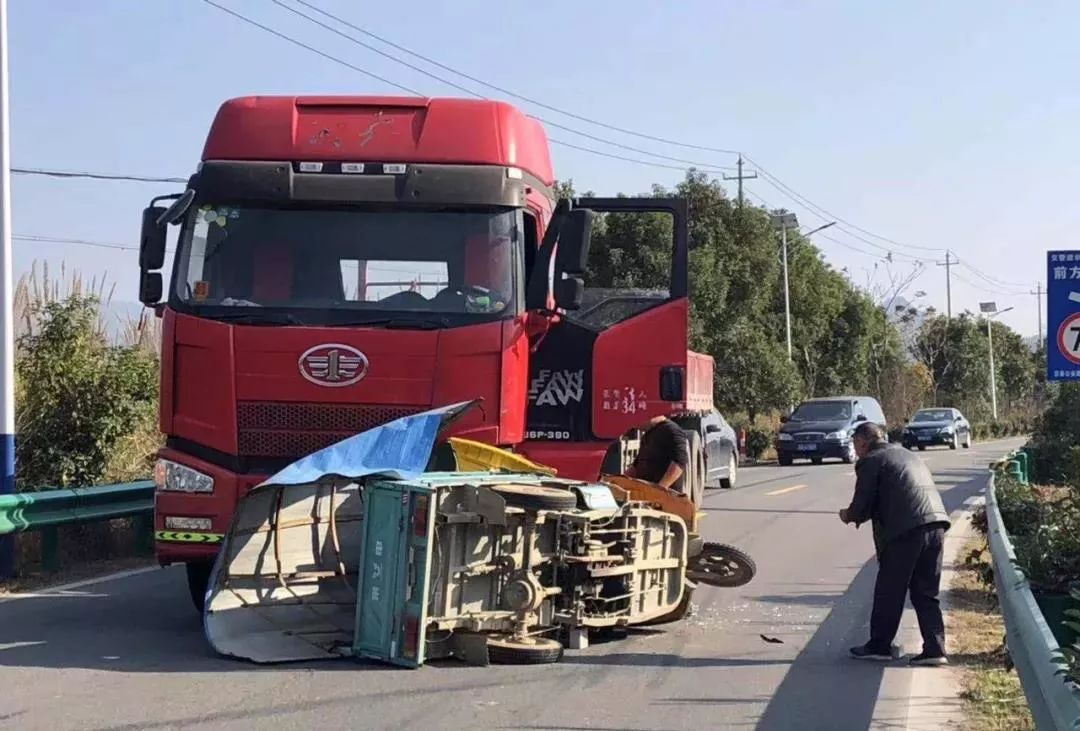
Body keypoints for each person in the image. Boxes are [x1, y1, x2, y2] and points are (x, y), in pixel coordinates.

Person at [839, 422, 952, 666]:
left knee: (889, 590)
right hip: (937, 524)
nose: (855, 450)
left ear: (862, 442)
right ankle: (935, 649)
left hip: (906, 530)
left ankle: (879, 645)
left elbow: (862, 505)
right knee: (926, 592)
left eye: (855, 444)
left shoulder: (871, 460)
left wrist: (848, 515)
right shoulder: (906, 453)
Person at [625, 415, 690, 492]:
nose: (636, 425)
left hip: (666, 495)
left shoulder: (672, 430)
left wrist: (660, 488)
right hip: (648, 492)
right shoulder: (648, 435)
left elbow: (679, 462)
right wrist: (618, 481)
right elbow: (637, 465)